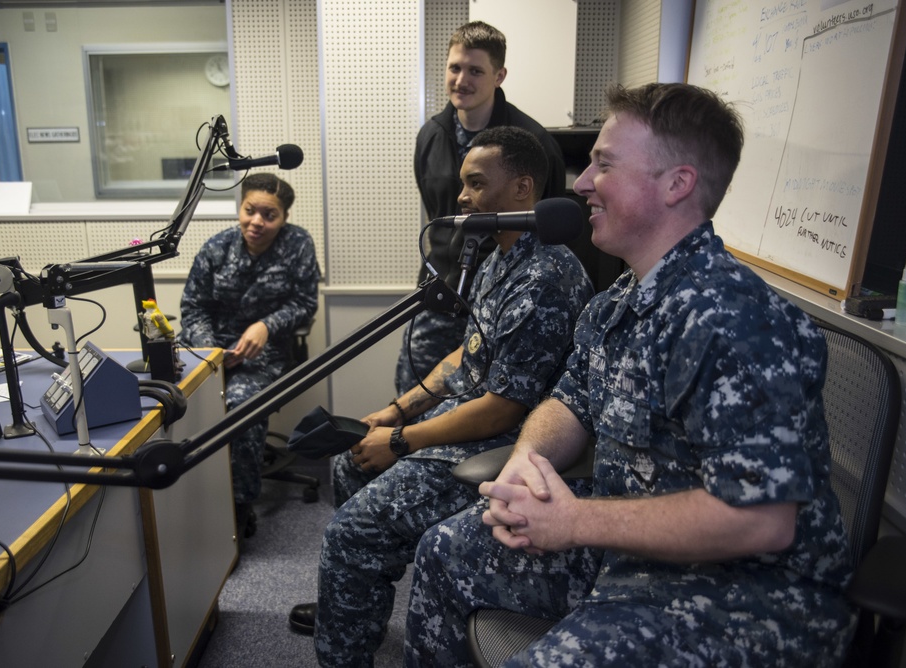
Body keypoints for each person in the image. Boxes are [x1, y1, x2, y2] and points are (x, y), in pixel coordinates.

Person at [405, 83, 857, 667]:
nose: (583, 183)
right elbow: (569, 402)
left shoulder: (732, 319)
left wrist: (573, 521)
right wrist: (527, 464)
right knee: (444, 549)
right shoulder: (621, 297)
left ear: (677, 184)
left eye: (604, 163)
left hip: (744, 596)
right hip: (627, 551)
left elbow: (759, 522)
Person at [289, 127, 593, 667]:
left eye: (476, 184)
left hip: (502, 440)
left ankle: (345, 631)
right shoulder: (500, 255)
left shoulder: (545, 275)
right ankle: (352, 600)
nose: (461, 197)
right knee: (350, 465)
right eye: (462, 184)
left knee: (353, 529)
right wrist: (398, 409)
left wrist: (401, 441)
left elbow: (504, 407)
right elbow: (465, 355)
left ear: (523, 188)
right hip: (467, 415)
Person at [396, 20, 567, 394]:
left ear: (499, 75)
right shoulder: (430, 136)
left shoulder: (532, 141)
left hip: (502, 298)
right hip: (441, 291)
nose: (461, 80)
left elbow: (544, 226)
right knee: (411, 391)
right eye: (455, 68)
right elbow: (440, 215)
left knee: (480, 405)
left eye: (475, 70)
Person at [178, 172, 320, 538]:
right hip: (209, 349)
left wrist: (266, 325)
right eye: (249, 211)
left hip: (264, 353)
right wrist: (210, 350)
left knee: (240, 406)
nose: (257, 222)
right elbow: (193, 308)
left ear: (284, 217)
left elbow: (304, 304)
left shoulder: (298, 244)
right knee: (172, 398)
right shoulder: (217, 247)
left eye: (269, 215)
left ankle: (239, 506)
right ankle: (185, 499)